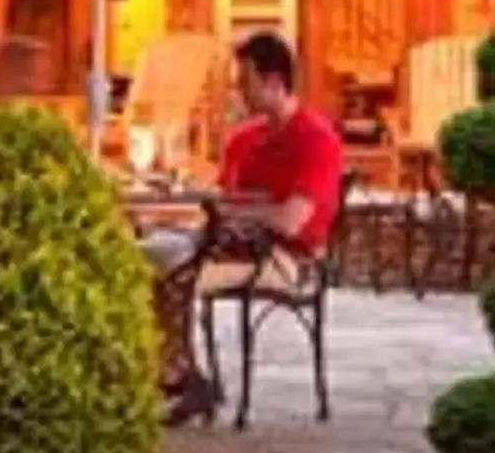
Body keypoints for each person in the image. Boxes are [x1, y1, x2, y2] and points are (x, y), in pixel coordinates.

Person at [142, 32, 345, 424]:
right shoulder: (243, 140)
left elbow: (291, 220)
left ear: (274, 82)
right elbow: (221, 202)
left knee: (176, 274)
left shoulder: (316, 139)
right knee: (150, 256)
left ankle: (179, 379)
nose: (238, 90)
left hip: (288, 258)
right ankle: (181, 374)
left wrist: (238, 213)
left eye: (245, 81)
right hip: (231, 246)